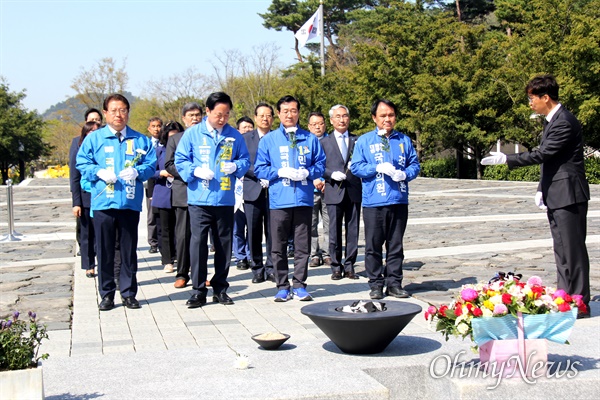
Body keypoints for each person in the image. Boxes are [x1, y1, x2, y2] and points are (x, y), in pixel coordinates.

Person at [481, 74, 591, 319]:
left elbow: (545, 153)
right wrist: (542, 187)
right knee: (561, 249)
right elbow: (551, 161)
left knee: (572, 250)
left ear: (546, 97)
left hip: (569, 194)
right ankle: (566, 297)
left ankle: (580, 303)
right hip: (557, 193)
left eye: (532, 98)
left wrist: (508, 158)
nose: (530, 103)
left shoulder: (564, 121)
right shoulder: (551, 120)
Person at [76, 94, 156, 311]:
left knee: (129, 250)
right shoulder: (95, 139)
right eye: (114, 110)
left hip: (129, 202)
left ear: (128, 112)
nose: (119, 115)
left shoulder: (140, 140)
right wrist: (98, 171)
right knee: (105, 250)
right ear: (105, 113)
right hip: (103, 204)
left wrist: (137, 171)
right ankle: (107, 294)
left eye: (123, 110)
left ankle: (129, 293)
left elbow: (151, 165)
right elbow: (82, 162)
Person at [175, 92, 250, 308]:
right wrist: (195, 170)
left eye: (227, 114)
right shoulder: (192, 134)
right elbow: (180, 159)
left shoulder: (234, 135)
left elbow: (244, 159)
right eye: (219, 114)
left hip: (225, 198)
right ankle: (198, 290)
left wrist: (236, 166)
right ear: (207, 111)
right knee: (198, 245)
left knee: (223, 245)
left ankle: (220, 288)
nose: (223, 118)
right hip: (200, 198)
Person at [255, 95, 326, 302]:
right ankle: (282, 285)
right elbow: (260, 168)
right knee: (278, 246)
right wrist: (280, 171)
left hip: (303, 200)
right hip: (279, 200)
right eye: (285, 111)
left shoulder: (310, 138)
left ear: (299, 113)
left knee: (302, 246)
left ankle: (300, 285)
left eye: (293, 110)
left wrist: (308, 173)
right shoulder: (269, 140)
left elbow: (321, 164)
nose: (289, 114)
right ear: (278, 114)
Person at [350, 99, 420, 300]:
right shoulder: (364, 141)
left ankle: (394, 283)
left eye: (390, 115)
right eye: (383, 115)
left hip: (398, 200)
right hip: (374, 201)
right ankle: (375, 284)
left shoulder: (403, 140)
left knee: (395, 245)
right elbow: (356, 167)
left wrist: (405, 174)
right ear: (374, 118)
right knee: (373, 245)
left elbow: (414, 164)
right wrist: (375, 168)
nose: (387, 119)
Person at [321, 104, 362, 280]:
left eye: (344, 116)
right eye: (338, 116)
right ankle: (336, 266)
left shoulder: (357, 140)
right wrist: (330, 174)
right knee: (334, 230)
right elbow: (318, 166)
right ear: (331, 120)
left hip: (353, 190)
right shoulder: (324, 142)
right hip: (333, 191)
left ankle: (350, 265)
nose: (342, 119)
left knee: (353, 230)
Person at [165, 103, 202, 288]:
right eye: (191, 115)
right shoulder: (176, 139)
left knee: (203, 237)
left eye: (197, 115)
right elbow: (169, 164)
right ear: (184, 119)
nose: (194, 118)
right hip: (184, 192)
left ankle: (201, 274)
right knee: (183, 235)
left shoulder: (207, 137)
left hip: (206, 192)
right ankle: (182, 273)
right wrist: (191, 172)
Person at [242, 104, 276, 284]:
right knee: (253, 231)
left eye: (268, 115)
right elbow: (241, 162)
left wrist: (272, 175)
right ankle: (256, 267)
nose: (265, 118)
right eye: (261, 115)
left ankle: (271, 267)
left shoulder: (278, 137)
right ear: (255, 118)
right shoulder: (246, 138)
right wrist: (260, 174)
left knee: (273, 231)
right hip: (253, 189)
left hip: (274, 190)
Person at [69, 120, 101, 278]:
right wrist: (76, 203)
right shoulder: (79, 150)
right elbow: (74, 178)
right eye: (90, 131)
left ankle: (102, 262)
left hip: (102, 196)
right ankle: (89, 265)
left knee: (101, 233)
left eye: (97, 131)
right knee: (87, 233)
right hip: (85, 196)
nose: (93, 134)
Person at [152, 121, 184, 274]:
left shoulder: (185, 149)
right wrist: (161, 173)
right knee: (165, 229)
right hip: (164, 191)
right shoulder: (159, 150)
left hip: (181, 193)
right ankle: (167, 260)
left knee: (181, 229)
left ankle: (181, 256)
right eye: (171, 136)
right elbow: (151, 170)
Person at [307, 111, 331, 268]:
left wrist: (324, 181)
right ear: (309, 126)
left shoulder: (331, 142)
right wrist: (314, 178)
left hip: (328, 188)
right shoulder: (304, 142)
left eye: (320, 123)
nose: (317, 127)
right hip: (309, 188)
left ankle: (329, 253)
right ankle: (314, 254)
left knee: (330, 223)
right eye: (314, 124)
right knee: (311, 223)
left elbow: (334, 164)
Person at [233, 116, 254, 270]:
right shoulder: (232, 143)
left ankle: (251, 254)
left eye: (249, 127)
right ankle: (240, 256)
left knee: (252, 226)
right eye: (244, 127)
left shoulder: (256, 144)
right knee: (237, 226)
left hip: (252, 188)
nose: (247, 129)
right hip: (236, 190)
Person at [146, 117, 163, 254]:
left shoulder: (165, 143)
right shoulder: (146, 144)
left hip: (164, 184)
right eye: (153, 126)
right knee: (151, 215)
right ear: (149, 128)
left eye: (159, 126)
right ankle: (153, 242)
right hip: (150, 184)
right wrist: (150, 192)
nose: (156, 129)